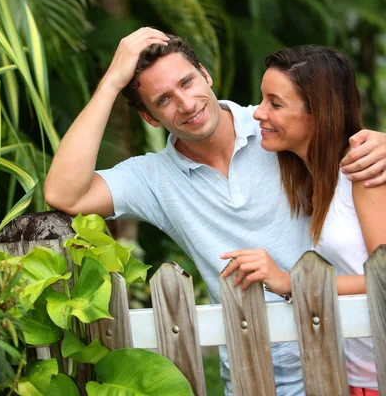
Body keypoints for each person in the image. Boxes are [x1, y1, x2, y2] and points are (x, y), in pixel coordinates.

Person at [44, 28, 386, 396]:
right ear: (150, 117)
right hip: (251, 370)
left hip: (341, 362)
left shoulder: (273, 131)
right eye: (164, 99)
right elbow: (64, 193)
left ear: (205, 74)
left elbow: (336, 131)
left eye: (187, 82)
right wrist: (111, 83)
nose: (187, 104)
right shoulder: (154, 179)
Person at [221, 45, 385, 396]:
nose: (259, 113)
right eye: (261, 100)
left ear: (318, 113)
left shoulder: (364, 172)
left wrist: (291, 283)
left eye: (274, 104)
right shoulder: (316, 180)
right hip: (356, 374)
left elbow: (384, 279)